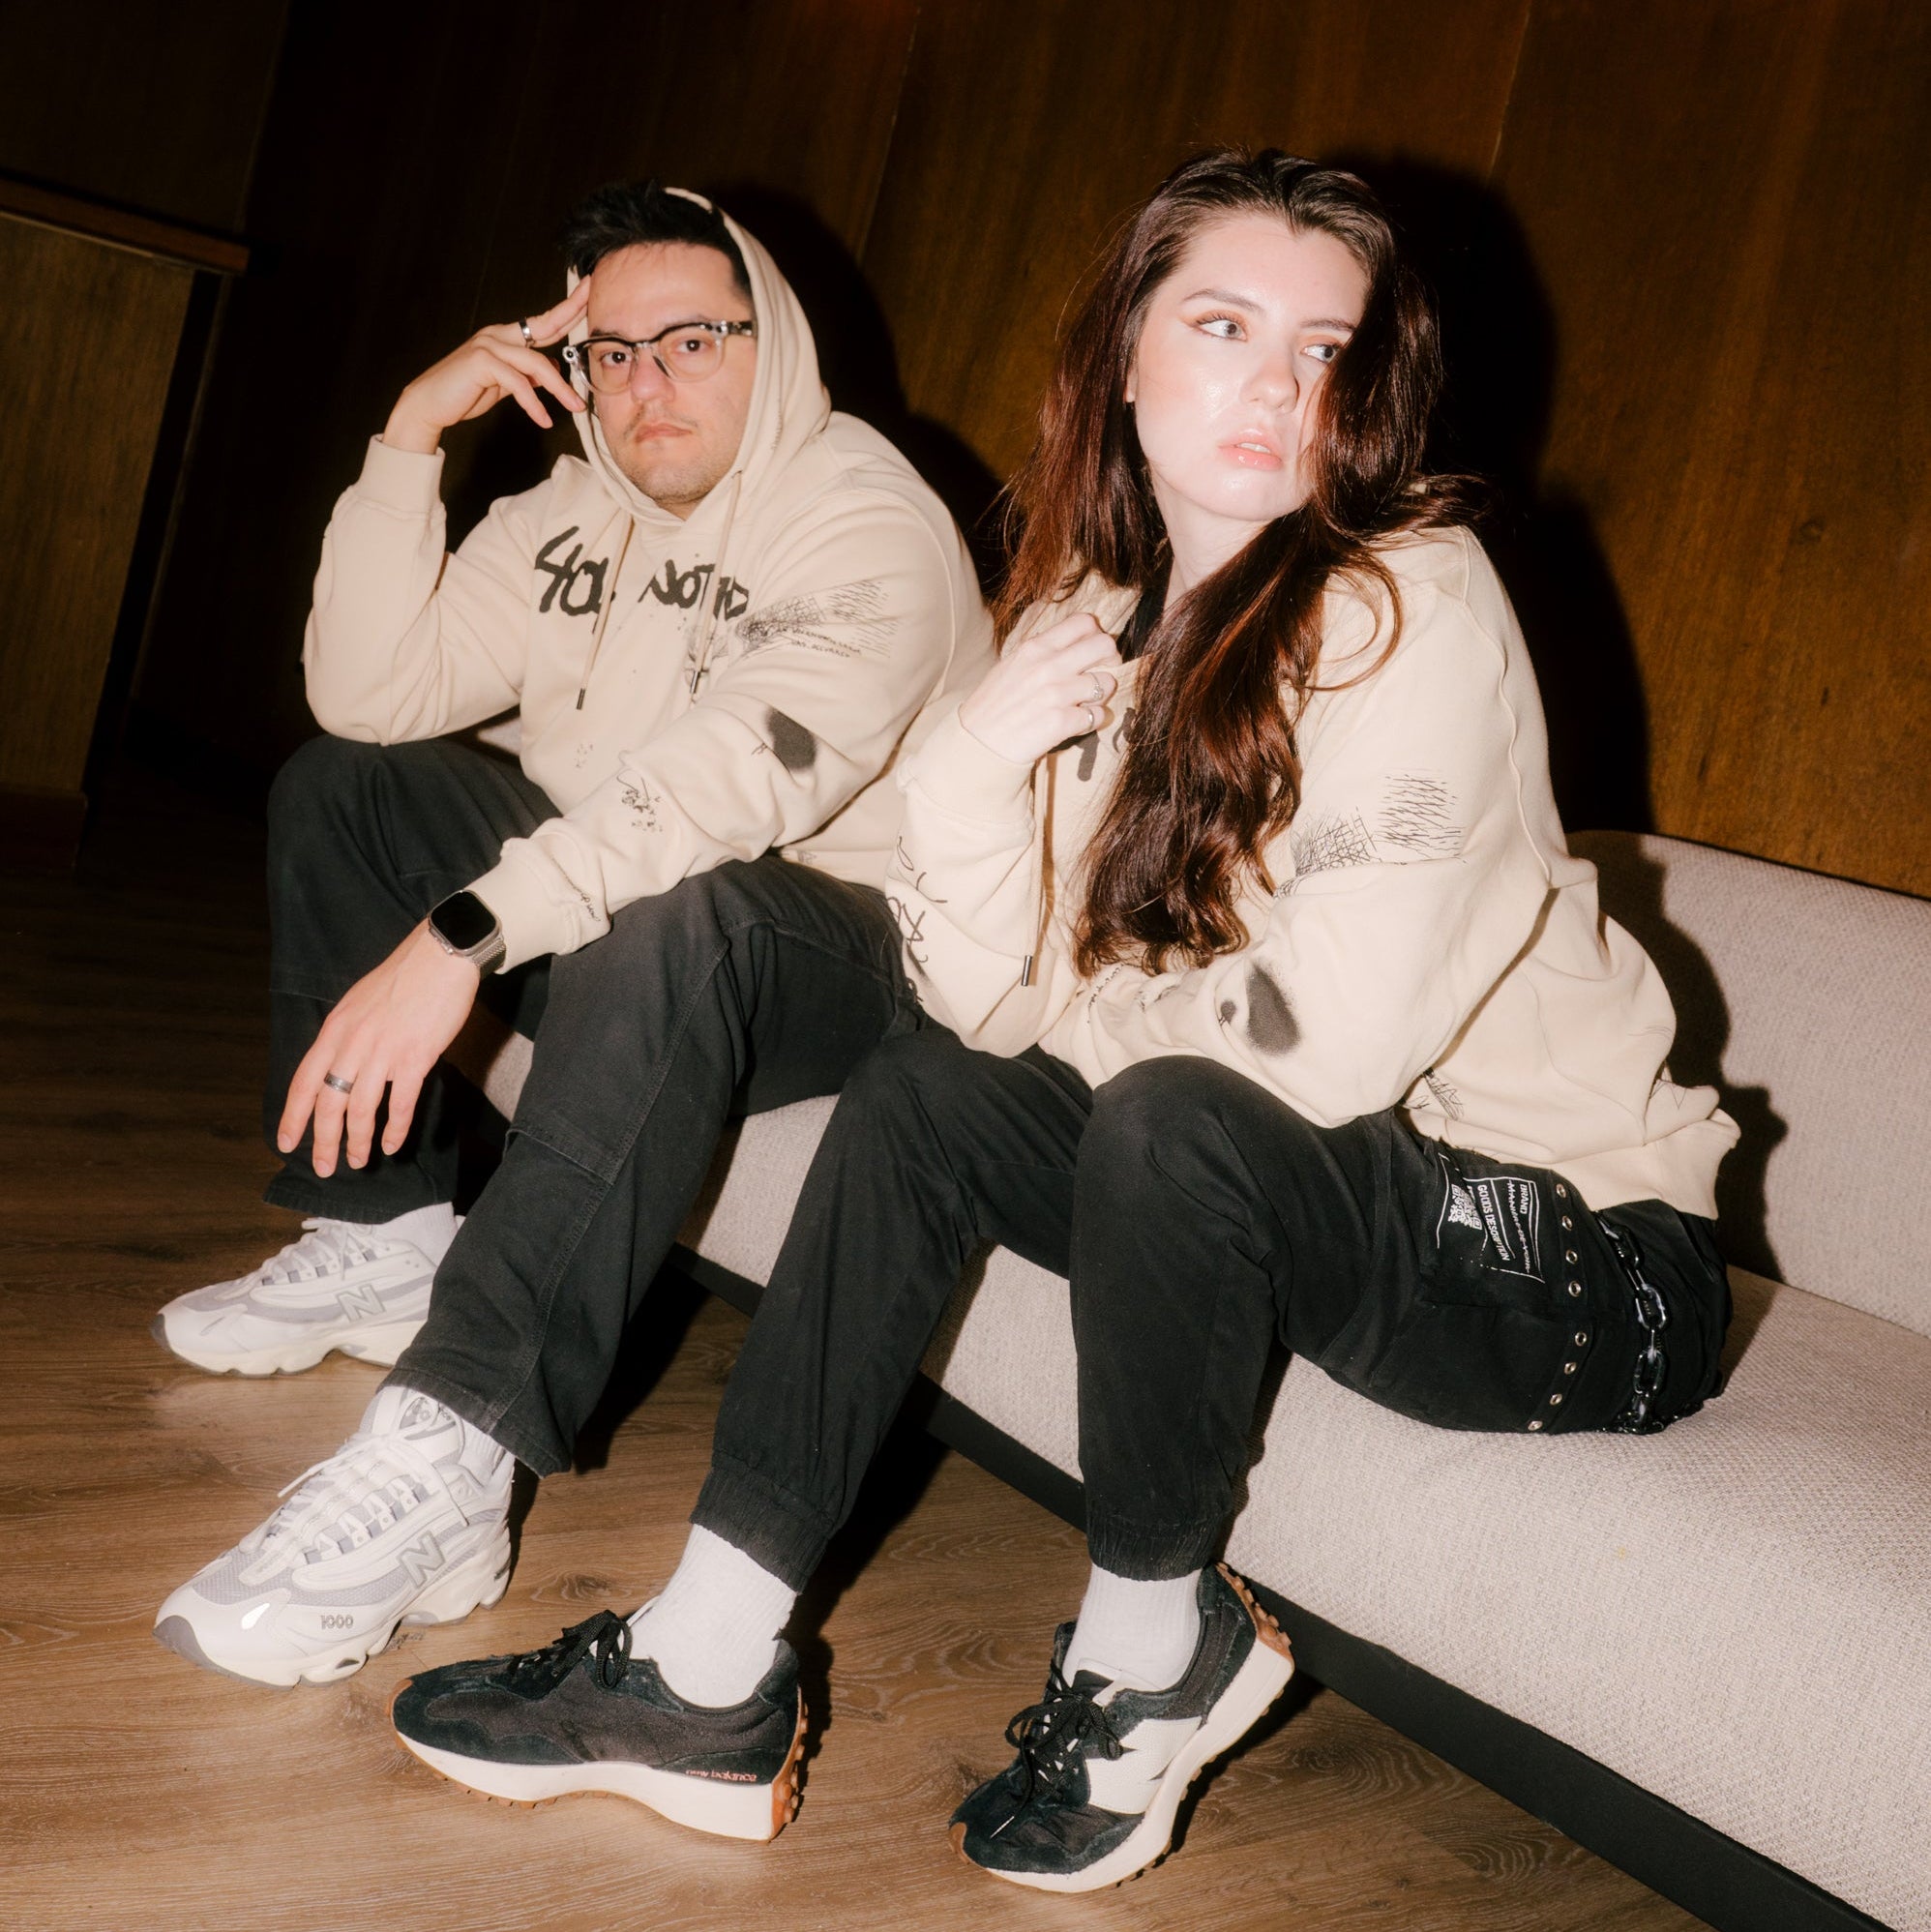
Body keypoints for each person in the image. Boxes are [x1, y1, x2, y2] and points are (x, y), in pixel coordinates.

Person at [355, 147, 1738, 1890]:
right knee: (929, 1093)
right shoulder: (1097, 621)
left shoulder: (1422, 602)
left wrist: (1080, 1022)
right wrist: (976, 761)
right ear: (1126, 356)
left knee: (1170, 1112)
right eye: (1223, 327)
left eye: (1323, 349)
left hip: (1585, 1255)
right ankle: (707, 1663)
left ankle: (1158, 1648)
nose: (1277, 386)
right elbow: (983, 996)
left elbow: (1328, 1041)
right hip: (1317, 1185)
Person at [151, 183, 993, 1685]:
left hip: (843, 943)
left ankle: (453, 1456)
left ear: (773, 341)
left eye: (691, 342)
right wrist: (410, 436)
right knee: (348, 787)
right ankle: (383, 1235)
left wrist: (459, 939)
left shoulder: (870, 524)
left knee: (683, 907)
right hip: (623, 895)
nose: (645, 384)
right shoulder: (569, 510)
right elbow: (367, 694)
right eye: (611, 351)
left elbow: (721, 790)